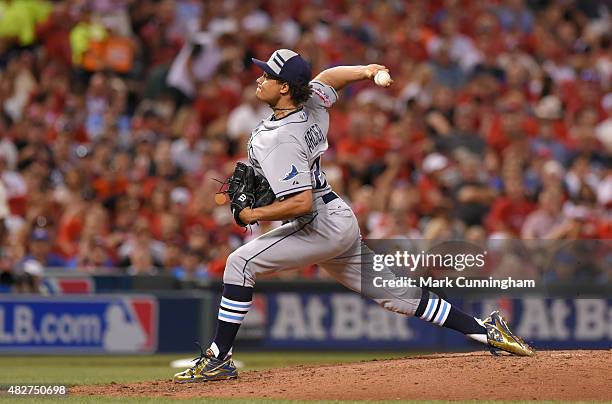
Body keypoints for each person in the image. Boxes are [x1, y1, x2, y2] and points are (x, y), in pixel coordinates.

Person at [173, 49, 534, 383]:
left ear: (284, 87)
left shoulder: (278, 138)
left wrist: (253, 212)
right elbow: (329, 78)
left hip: (317, 224)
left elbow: (300, 204)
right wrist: (366, 70)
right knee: (397, 294)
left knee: (239, 263)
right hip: (338, 217)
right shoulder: (309, 101)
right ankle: (486, 330)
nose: (259, 78)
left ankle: (219, 356)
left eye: (267, 75)